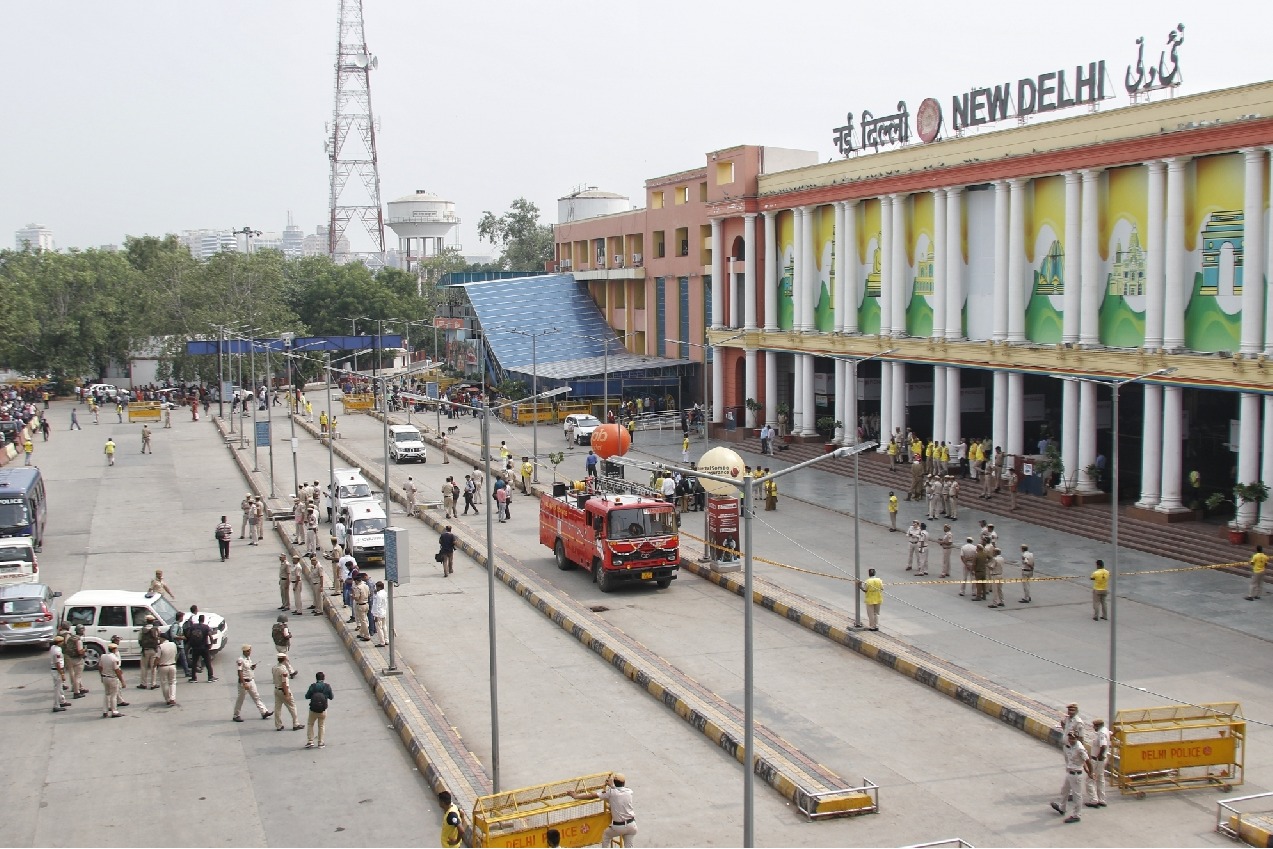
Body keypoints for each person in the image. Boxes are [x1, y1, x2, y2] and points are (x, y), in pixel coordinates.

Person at [571, 773, 636, 848]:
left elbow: (592, 796)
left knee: (606, 835)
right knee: (629, 846)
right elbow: (617, 797)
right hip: (632, 826)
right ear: (624, 783)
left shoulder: (611, 792)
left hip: (619, 827)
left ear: (613, 782)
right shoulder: (629, 791)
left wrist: (576, 796)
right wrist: (612, 786)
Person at [1052, 730, 1091, 823]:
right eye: (1070, 738)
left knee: (1077, 795)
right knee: (1064, 790)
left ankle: (1076, 815)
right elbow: (1082, 760)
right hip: (1070, 772)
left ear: (1077, 738)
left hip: (1076, 774)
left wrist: (1090, 772)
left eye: (1073, 738)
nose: (1071, 740)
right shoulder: (1071, 747)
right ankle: (1062, 807)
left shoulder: (1079, 748)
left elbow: (1087, 760)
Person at [232, 644, 273, 722]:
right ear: (244, 651)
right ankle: (236, 715)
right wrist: (244, 683)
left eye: (249, 650)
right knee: (240, 699)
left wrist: (252, 667)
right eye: (247, 651)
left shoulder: (248, 658)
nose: (249, 652)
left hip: (251, 681)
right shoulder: (240, 660)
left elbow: (247, 668)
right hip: (244, 682)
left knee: (256, 697)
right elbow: (239, 672)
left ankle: (264, 712)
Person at [304, 671, 334, 749]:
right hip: (323, 710)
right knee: (321, 725)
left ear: (316, 678)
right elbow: (331, 697)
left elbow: (307, 696)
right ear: (323, 678)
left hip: (313, 709)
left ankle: (310, 741)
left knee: (310, 724)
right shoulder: (327, 686)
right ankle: (320, 742)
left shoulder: (313, 686)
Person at [272, 653, 301, 731]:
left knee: (277, 708)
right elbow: (284, 682)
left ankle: (278, 725)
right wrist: (287, 694)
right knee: (292, 706)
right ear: (284, 659)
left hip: (276, 689)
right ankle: (296, 723)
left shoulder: (274, 667)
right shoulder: (283, 670)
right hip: (283, 690)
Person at [99, 642, 129, 717]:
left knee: (106, 694)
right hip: (112, 678)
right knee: (113, 695)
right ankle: (114, 711)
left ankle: (105, 711)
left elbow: (100, 667)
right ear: (115, 650)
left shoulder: (103, 656)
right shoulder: (114, 659)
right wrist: (122, 681)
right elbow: (117, 671)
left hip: (105, 677)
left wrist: (101, 676)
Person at [1086, 718, 1111, 808]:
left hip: (1097, 760)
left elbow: (1103, 746)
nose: (1093, 727)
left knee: (1090, 779)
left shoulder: (1101, 734)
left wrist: (1099, 756)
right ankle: (1102, 799)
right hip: (1101, 759)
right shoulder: (1105, 731)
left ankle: (1093, 800)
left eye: (1095, 726)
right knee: (1100, 779)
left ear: (1098, 726)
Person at [186, 614, 216, 682]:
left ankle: (194, 678)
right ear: (204, 619)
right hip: (204, 647)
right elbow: (210, 636)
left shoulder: (193, 626)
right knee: (208, 662)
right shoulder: (206, 627)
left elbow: (188, 634)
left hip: (195, 647)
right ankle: (210, 677)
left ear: (198, 619)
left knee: (194, 663)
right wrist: (211, 644)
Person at [156, 632, 179, 706]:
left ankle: (168, 699)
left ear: (162, 638)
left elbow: (157, 658)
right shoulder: (173, 644)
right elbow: (176, 654)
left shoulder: (160, 647)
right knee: (172, 682)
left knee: (164, 683)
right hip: (172, 665)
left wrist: (154, 666)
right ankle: (173, 698)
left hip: (163, 666)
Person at [272, 614, 297, 679]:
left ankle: (288, 671)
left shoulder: (275, 626)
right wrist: (290, 635)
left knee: (283, 659)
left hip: (277, 644)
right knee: (285, 659)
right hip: (283, 645)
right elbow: (286, 636)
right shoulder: (284, 627)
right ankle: (290, 672)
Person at [65, 625, 88, 698]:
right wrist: (85, 650)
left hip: (70, 658)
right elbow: (80, 651)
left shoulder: (71, 638)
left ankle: (79, 689)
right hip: (77, 659)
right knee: (77, 677)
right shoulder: (78, 640)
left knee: (75, 676)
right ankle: (76, 692)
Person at [49, 635, 70, 712]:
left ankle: (62, 701)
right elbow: (57, 663)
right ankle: (56, 705)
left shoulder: (53, 648)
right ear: (59, 642)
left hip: (56, 670)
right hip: (57, 670)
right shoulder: (57, 651)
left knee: (60, 687)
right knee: (57, 689)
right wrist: (62, 674)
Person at [138, 618, 160, 689]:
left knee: (144, 667)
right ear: (152, 621)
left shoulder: (142, 629)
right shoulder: (155, 629)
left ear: (146, 621)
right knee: (153, 667)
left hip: (145, 650)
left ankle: (143, 684)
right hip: (153, 650)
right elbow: (158, 639)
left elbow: (139, 639)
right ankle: (153, 684)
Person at [352, 573, 371, 641]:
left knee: (363, 621)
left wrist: (352, 596)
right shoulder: (366, 585)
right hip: (366, 604)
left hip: (360, 605)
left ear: (356, 581)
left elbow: (357, 598)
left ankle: (367, 635)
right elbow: (369, 594)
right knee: (364, 619)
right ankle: (361, 633)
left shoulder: (358, 588)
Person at [372, 581, 388, 647]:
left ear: (379, 587)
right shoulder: (384, 592)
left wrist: (376, 615)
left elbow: (377, 605)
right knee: (384, 626)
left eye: (377, 587)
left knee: (379, 628)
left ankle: (382, 642)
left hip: (378, 613)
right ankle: (386, 640)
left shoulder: (378, 595)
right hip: (383, 612)